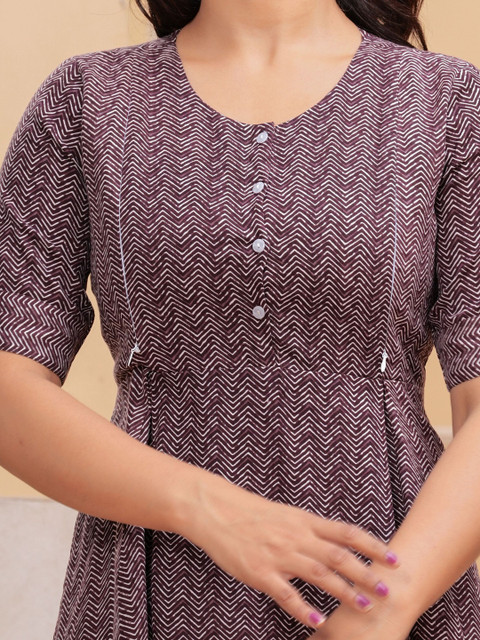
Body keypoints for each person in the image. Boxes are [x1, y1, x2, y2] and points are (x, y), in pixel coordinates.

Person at [1, 0, 480, 638]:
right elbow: (9, 382)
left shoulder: (448, 101)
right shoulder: (86, 99)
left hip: (393, 581)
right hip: (147, 581)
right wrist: (206, 507)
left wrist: (383, 610)